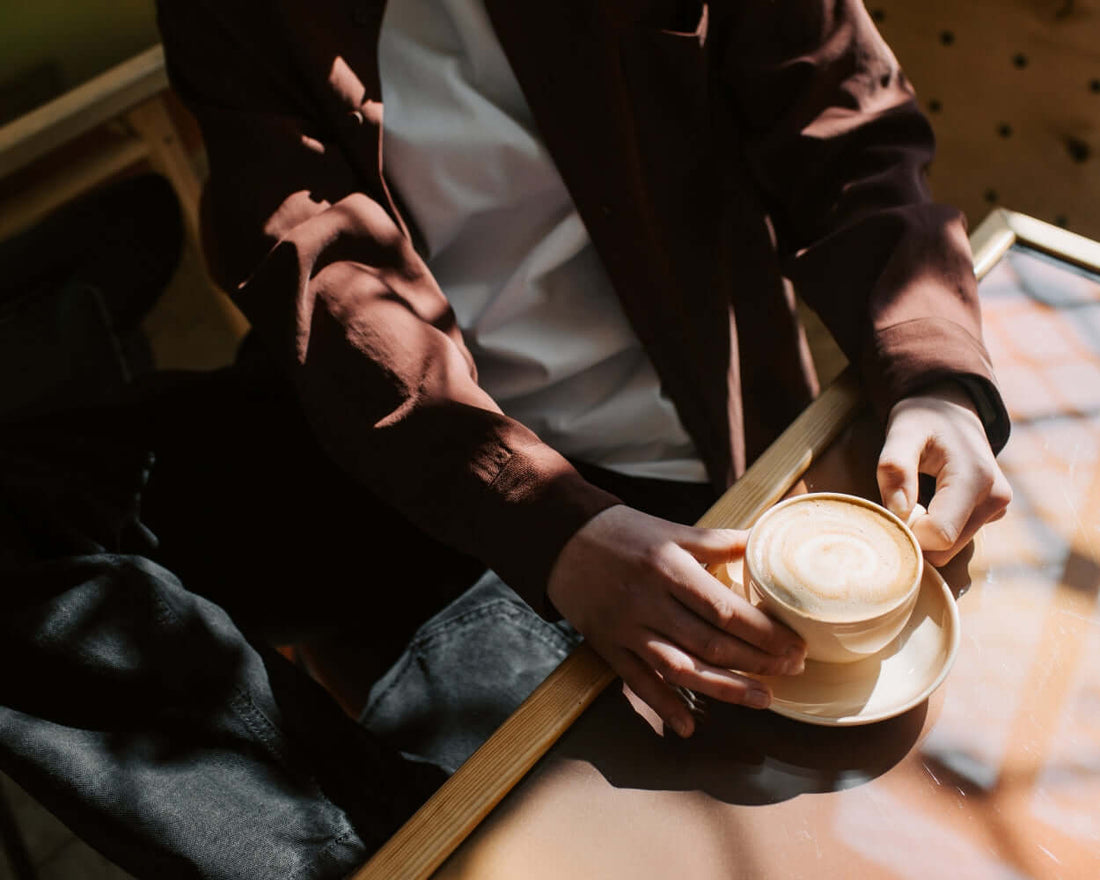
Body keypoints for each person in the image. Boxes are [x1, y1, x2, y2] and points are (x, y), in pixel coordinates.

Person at [1, 0, 1012, 877]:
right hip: (390, 441)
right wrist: (541, 520)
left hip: (672, 483)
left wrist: (933, 374)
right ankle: (374, 844)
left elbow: (844, 125)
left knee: (631, 816)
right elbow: (315, 265)